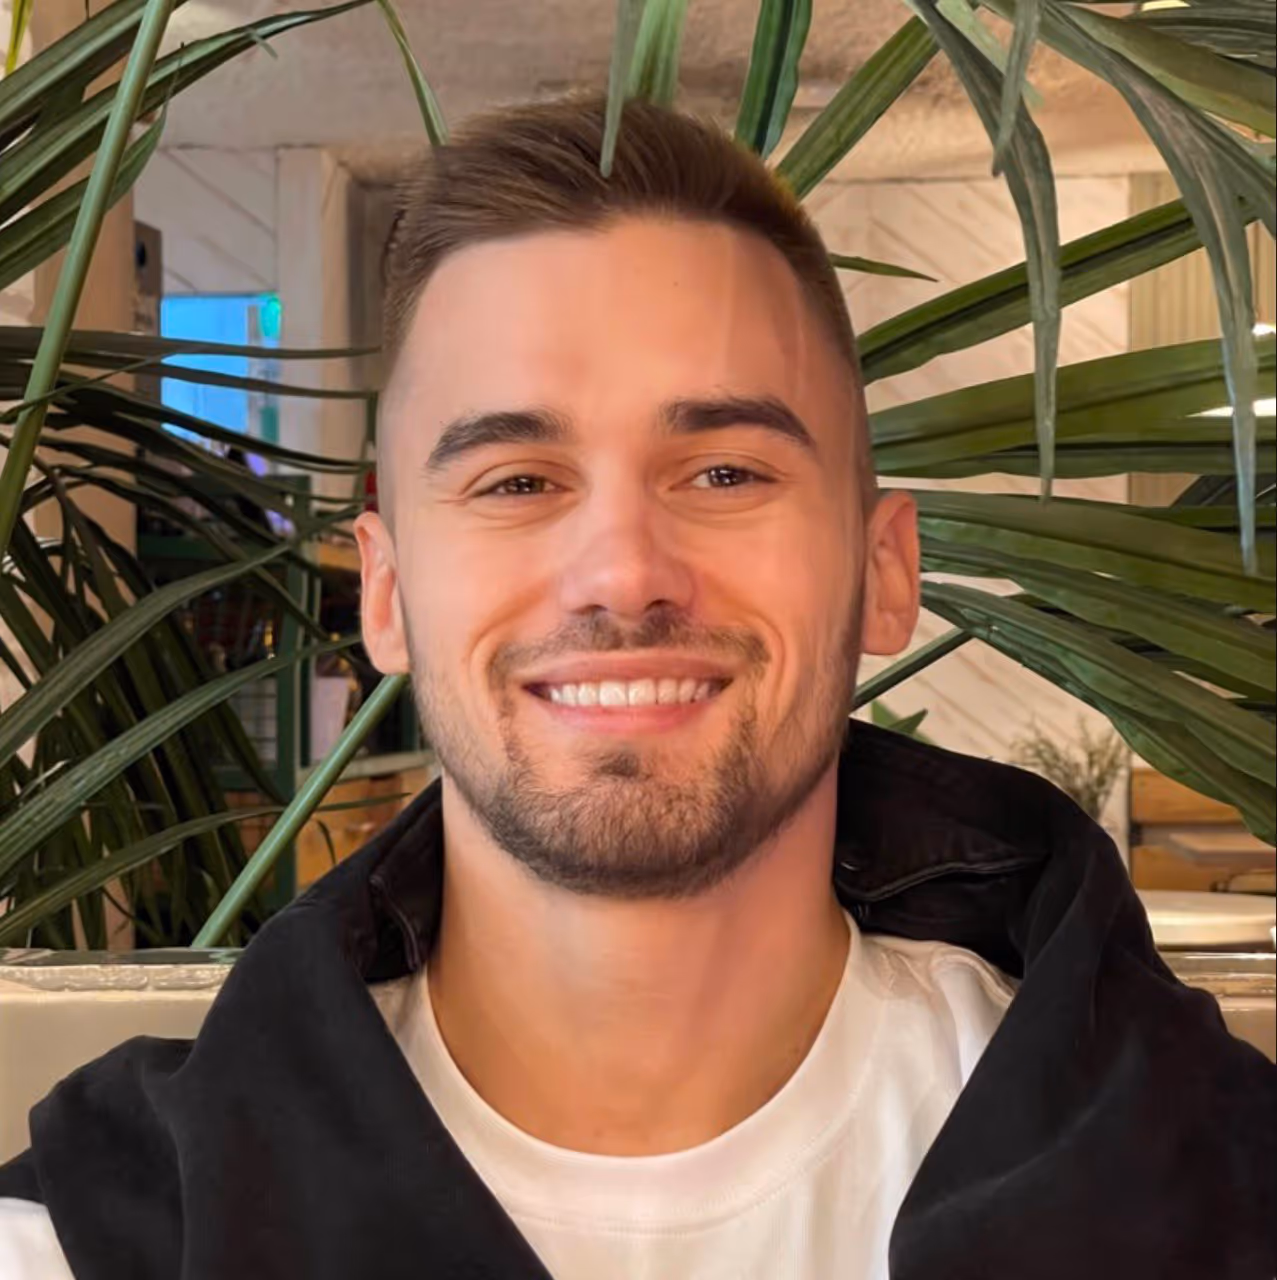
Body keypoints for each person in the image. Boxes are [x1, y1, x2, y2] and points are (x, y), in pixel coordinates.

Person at [1, 96, 1272, 1280]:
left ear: (883, 570)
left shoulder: (1222, 1180)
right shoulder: (92, 1238)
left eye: (724, 472)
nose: (622, 571)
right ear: (384, 593)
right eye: (515, 480)